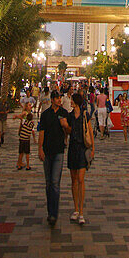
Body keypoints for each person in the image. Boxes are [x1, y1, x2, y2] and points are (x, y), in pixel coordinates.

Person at [38, 89, 71, 226]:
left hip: (59, 151)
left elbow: (69, 131)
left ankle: (54, 214)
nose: (59, 100)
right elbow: (42, 132)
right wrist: (40, 148)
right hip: (47, 151)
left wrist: (65, 126)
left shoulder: (64, 113)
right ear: (52, 100)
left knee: (55, 183)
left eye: (60, 98)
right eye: (57, 98)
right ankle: (50, 210)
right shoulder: (45, 115)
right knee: (48, 183)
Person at [67, 91, 93, 225]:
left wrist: (92, 149)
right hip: (72, 149)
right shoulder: (70, 116)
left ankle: (81, 211)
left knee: (81, 179)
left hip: (82, 149)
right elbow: (67, 131)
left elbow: (89, 131)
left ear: (76, 102)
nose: (70, 102)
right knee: (74, 180)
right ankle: (76, 209)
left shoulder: (85, 115)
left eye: (72, 100)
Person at [17, 99, 36, 170]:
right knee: (27, 153)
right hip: (27, 139)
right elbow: (32, 131)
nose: (30, 106)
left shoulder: (24, 123)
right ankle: (27, 165)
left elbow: (21, 121)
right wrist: (34, 138)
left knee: (21, 152)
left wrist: (16, 116)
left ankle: (19, 164)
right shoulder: (31, 124)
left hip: (22, 138)